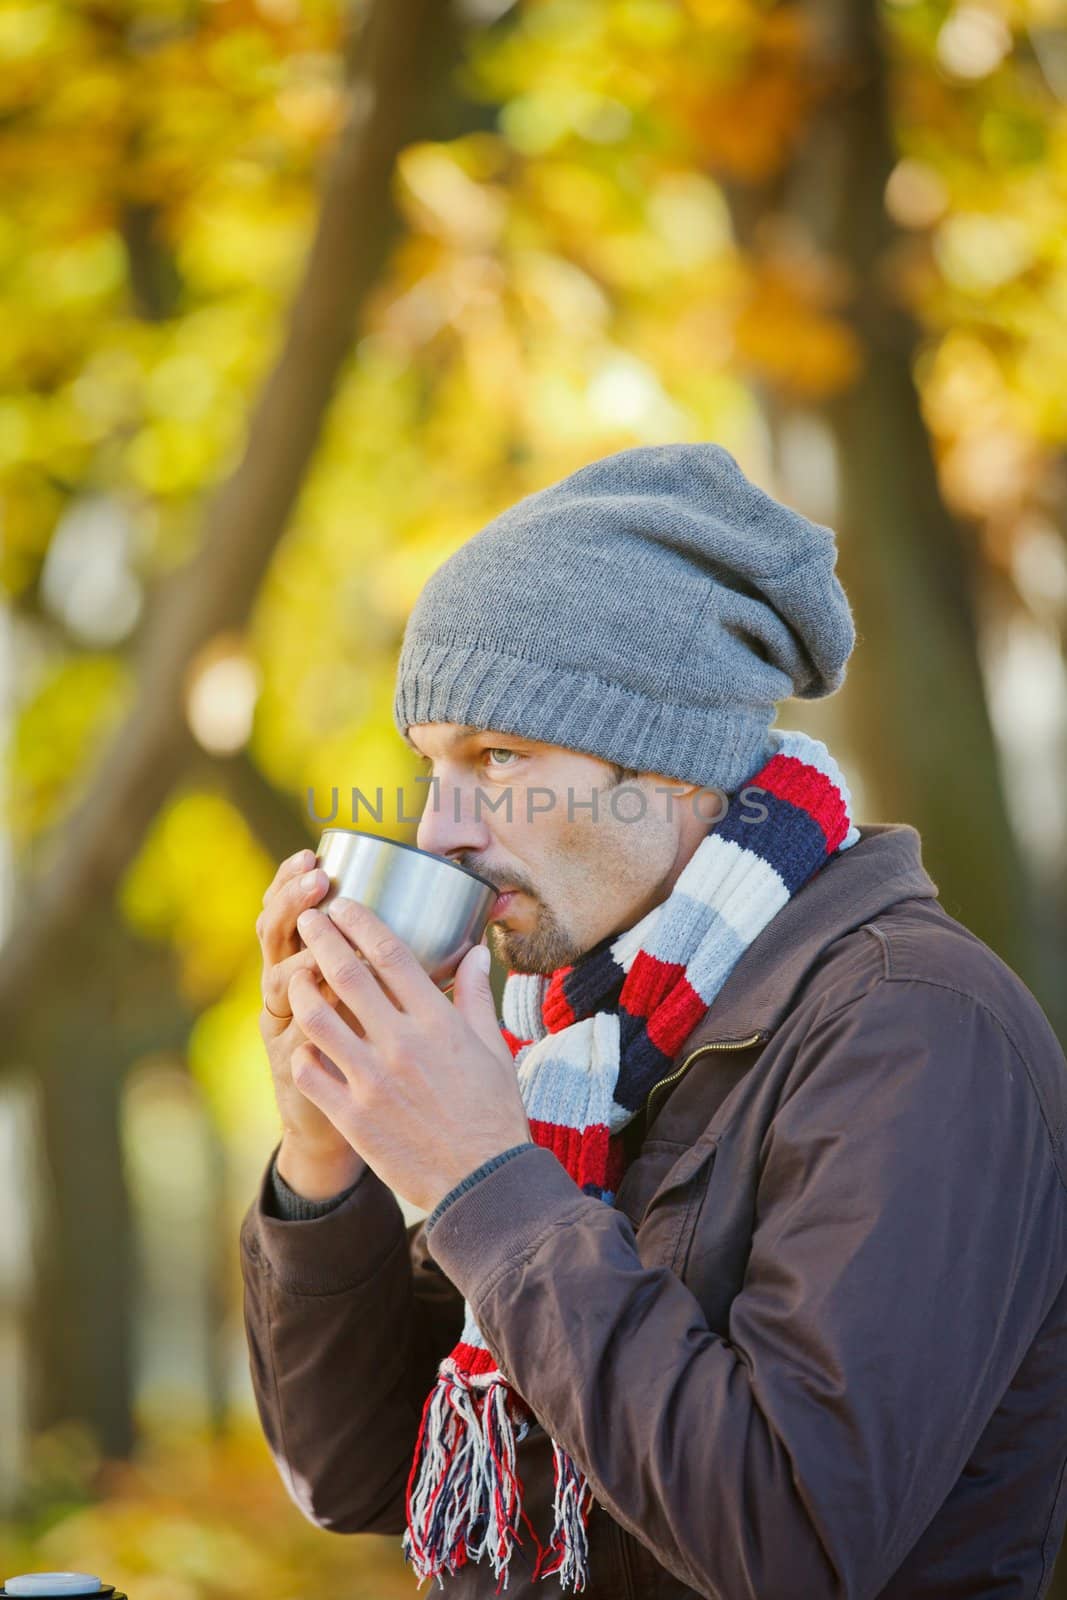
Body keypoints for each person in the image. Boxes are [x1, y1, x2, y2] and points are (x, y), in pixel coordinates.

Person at [240, 443, 1067, 1598]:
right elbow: (361, 1473)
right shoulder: (576, 1036)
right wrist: (323, 1145)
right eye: (434, 765)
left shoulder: (913, 1031)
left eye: (501, 757)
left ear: (676, 768)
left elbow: (795, 1543)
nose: (441, 830)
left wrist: (487, 1182)